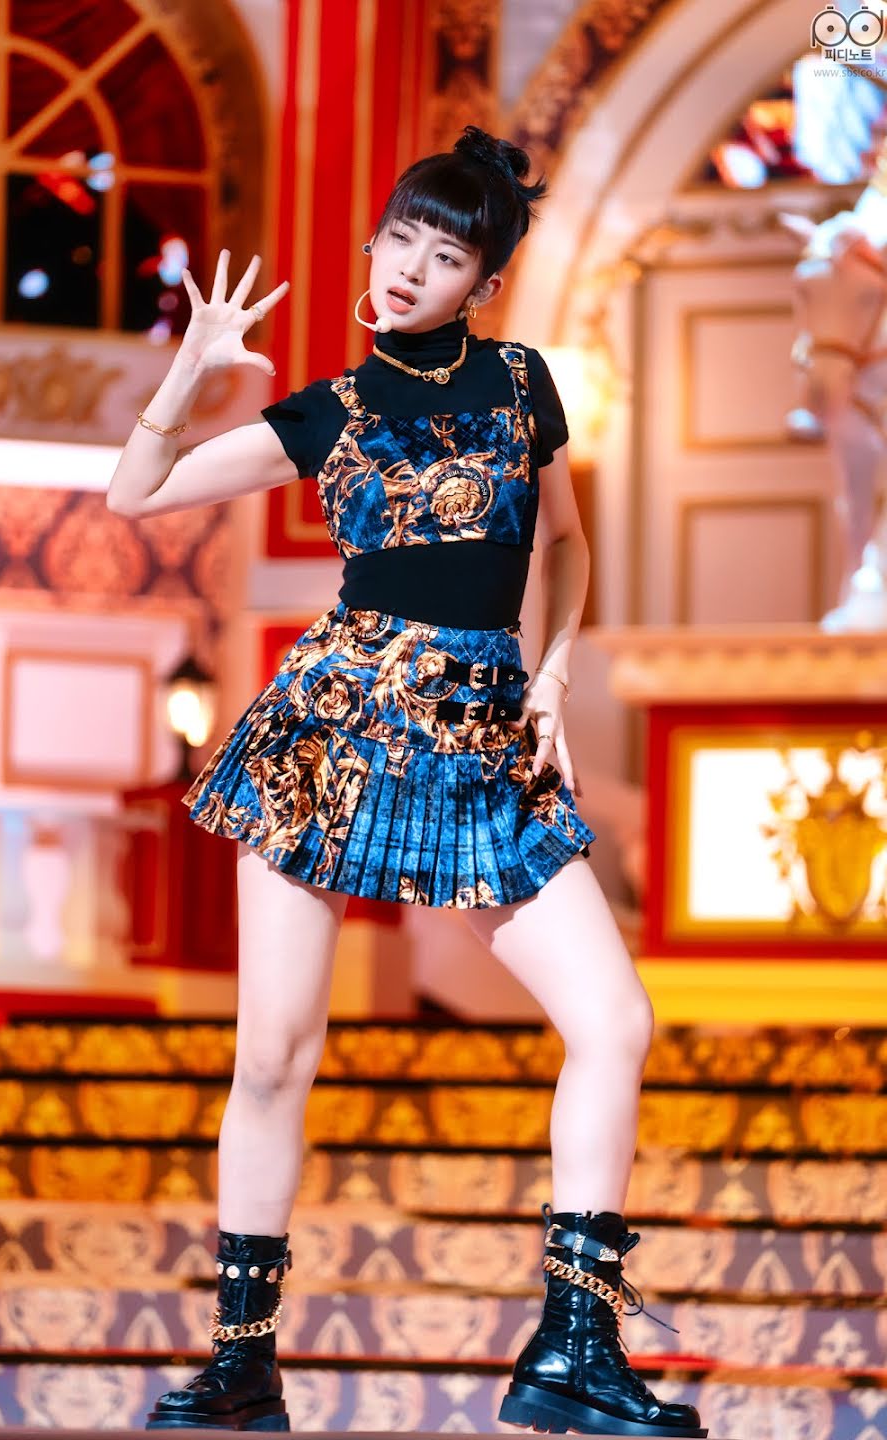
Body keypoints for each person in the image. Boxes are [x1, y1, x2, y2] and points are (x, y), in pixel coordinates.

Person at [107, 127, 706, 1439]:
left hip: (486, 735)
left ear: (481, 281)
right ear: (373, 242)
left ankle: (574, 1349)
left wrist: (553, 674)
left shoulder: (524, 383)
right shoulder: (331, 408)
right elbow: (133, 494)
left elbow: (566, 542)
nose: (411, 269)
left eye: (445, 255)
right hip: (336, 729)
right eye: (401, 240)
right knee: (275, 1054)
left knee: (614, 1021)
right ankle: (243, 1363)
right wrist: (192, 367)